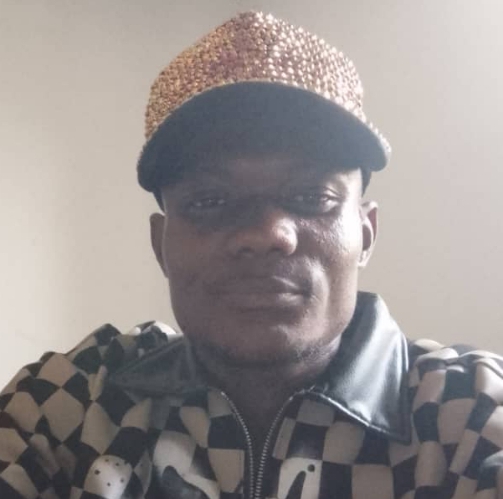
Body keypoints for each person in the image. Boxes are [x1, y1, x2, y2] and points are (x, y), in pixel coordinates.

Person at [1, 11, 503, 499]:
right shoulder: (72, 404)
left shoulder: (470, 417)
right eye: (210, 201)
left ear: (366, 235)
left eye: (312, 197)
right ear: (160, 246)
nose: (266, 234)